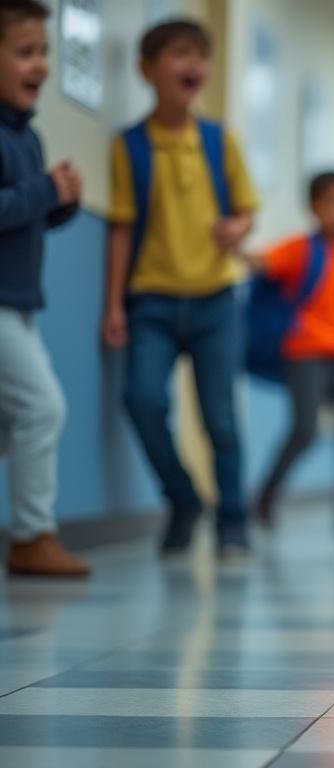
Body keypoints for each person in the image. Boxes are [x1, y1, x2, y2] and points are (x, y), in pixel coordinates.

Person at [102, 19, 258, 557]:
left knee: (219, 417)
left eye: (200, 55)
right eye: (178, 54)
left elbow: (246, 210)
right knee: (142, 400)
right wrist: (112, 305)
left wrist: (237, 228)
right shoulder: (130, 147)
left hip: (216, 298)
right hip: (151, 302)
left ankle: (233, 521)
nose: (192, 64)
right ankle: (184, 498)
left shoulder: (218, 141)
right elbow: (120, 228)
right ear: (147, 69)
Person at [0, 0, 89, 577]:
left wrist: (59, 203)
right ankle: (33, 535)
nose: (40, 66)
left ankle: (30, 532)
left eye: (44, 53)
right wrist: (43, 193)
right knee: (42, 406)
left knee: (14, 420)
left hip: (19, 300)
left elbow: (21, 213)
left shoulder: (23, 135)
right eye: (24, 51)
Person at [250, 172, 334, 531]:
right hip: (306, 352)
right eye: (329, 202)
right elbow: (261, 263)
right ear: (314, 207)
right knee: (305, 430)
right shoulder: (300, 249)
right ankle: (267, 494)